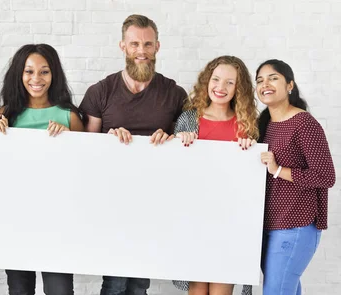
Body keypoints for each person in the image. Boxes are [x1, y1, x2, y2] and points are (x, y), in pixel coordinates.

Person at [78, 14, 187, 295]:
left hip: (155, 198)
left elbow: (189, 144)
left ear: (158, 47)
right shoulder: (100, 91)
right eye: (135, 44)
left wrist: (172, 138)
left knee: (140, 281)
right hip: (111, 197)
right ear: (122, 47)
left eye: (148, 44)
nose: (142, 51)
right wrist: (108, 139)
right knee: (114, 281)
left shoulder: (174, 93)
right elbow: (85, 149)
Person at [0, 43, 83, 295]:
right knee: (19, 291)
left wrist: (68, 138)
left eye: (44, 71)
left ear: (54, 75)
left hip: (58, 219)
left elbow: (83, 169)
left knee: (60, 291)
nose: (36, 79)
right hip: (17, 218)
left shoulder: (69, 116)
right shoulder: (6, 115)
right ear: (20, 75)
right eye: (29, 71)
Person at [170, 55, 257, 295]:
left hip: (231, 221)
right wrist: (178, 143)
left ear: (239, 88)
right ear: (207, 81)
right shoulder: (189, 119)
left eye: (230, 82)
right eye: (216, 79)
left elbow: (253, 179)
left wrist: (252, 152)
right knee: (198, 287)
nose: (221, 87)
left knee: (222, 286)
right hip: (196, 219)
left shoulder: (246, 124)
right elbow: (172, 172)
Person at [256, 59, 335, 295]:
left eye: (273, 78)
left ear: (290, 85)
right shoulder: (264, 124)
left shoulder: (304, 123)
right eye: (260, 80)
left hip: (295, 226)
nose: (265, 84)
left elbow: (326, 176)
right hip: (268, 225)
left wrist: (279, 170)